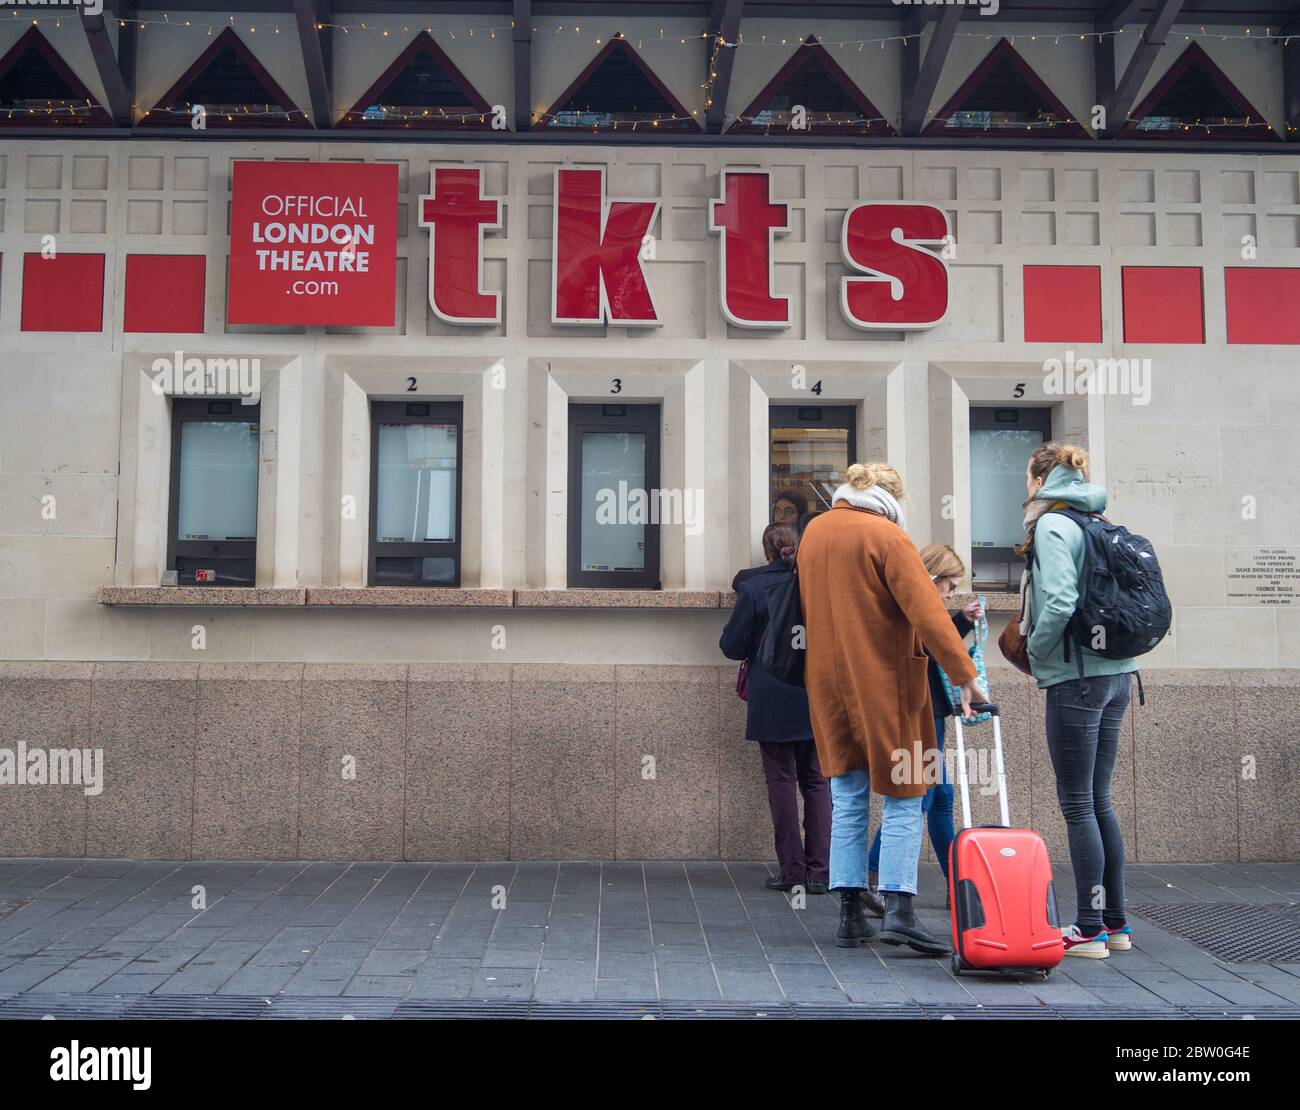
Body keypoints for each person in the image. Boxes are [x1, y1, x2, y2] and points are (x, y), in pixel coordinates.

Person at [797, 463, 983, 955]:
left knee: (849, 798)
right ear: (889, 497)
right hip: (889, 688)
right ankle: (899, 909)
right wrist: (966, 677)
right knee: (907, 794)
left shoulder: (814, 532)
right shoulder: (888, 536)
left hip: (829, 688)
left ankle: (850, 915)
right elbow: (928, 613)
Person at [1019, 442, 1137, 959]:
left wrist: (1038, 651)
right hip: (1118, 676)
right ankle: (1116, 925)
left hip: (1077, 678)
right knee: (1100, 800)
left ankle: (1087, 928)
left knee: (1076, 804)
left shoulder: (1051, 525)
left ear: (1038, 479)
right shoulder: (1101, 519)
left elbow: (1062, 599)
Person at [861, 544, 982, 916]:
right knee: (919, 798)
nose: (950, 593)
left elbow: (932, 641)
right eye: (950, 586)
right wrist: (958, 622)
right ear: (934, 578)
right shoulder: (914, 601)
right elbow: (930, 644)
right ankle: (873, 877)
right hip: (918, 713)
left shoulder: (915, 601)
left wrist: (959, 619)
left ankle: (954, 885)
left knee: (936, 797)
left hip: (928, 712)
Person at [720, 523, 831, 894]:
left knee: (781, 783)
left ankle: (792, 871)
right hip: (816, 695)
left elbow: (732, 646)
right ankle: (822, 872)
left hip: (772, 697)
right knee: (817, 783)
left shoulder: (754, 588)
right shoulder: (820, 584)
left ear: (767, 553)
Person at [732, 490, 809, 590]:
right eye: (777, 511)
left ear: (800, 516)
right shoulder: (772, 537)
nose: (781, 516)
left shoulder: (805, 541)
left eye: (788, 511)